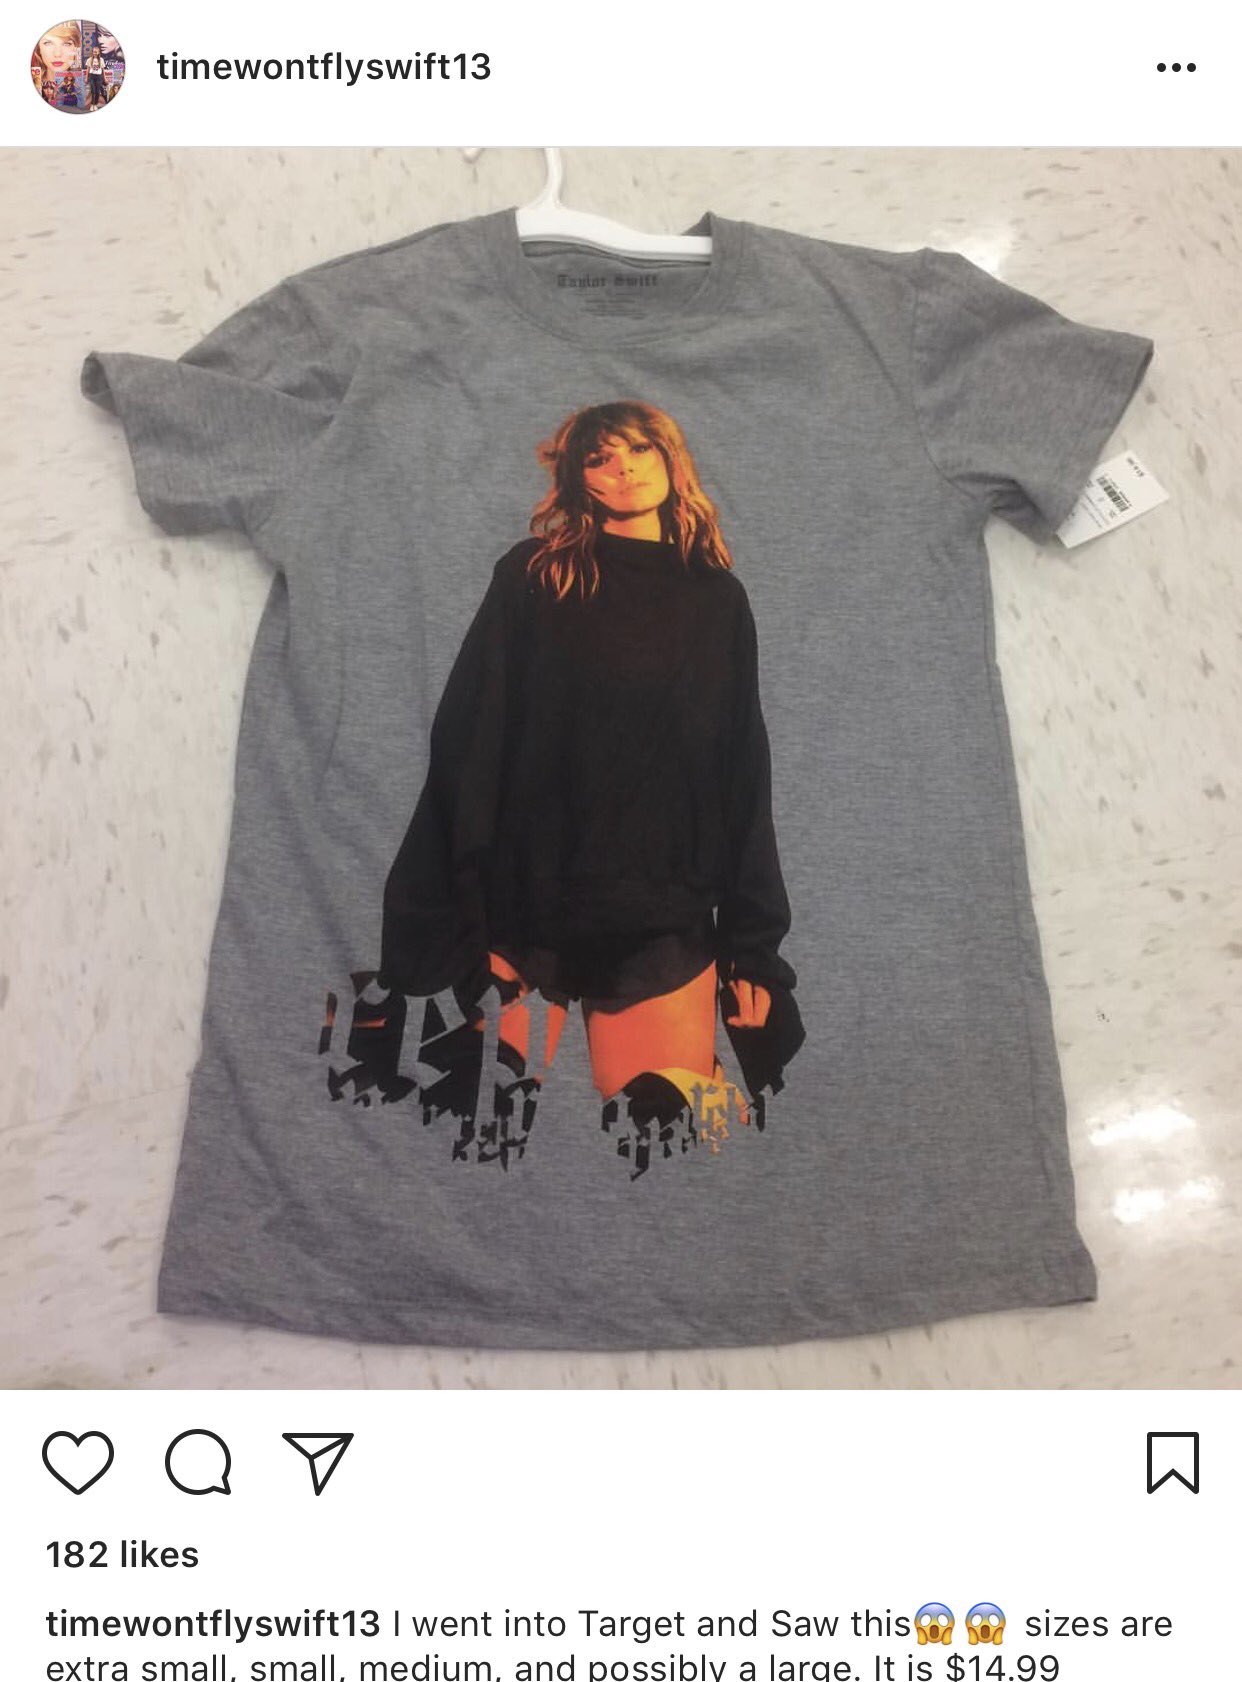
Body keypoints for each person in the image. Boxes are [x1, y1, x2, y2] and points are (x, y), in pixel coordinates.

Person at [379, 400, 805, 1165]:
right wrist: (441, 914)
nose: (625, 468)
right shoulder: (534, 575)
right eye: (600, 458)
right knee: (462, 1137)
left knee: (675, 1147)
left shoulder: (718, 602)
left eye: (640, 449)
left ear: (671, 461)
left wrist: (754, 951)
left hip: (660, 918)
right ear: (578, 481)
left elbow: (743, 775)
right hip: (520, 909)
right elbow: (468, 744)